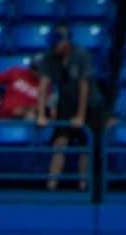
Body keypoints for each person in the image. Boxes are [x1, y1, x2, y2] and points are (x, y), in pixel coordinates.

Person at [37, 24, 104, 191]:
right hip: (65, 103)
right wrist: (41, 114)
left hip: (90, 105)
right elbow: (43, 86)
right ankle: (51, 186)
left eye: (57, 43)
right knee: (60, 142)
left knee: (84, 144)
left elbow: (84, 87)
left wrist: (81, 116)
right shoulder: (49, 57)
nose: (54, 46)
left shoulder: (81, 55)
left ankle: (83, 186)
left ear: (66, 42)